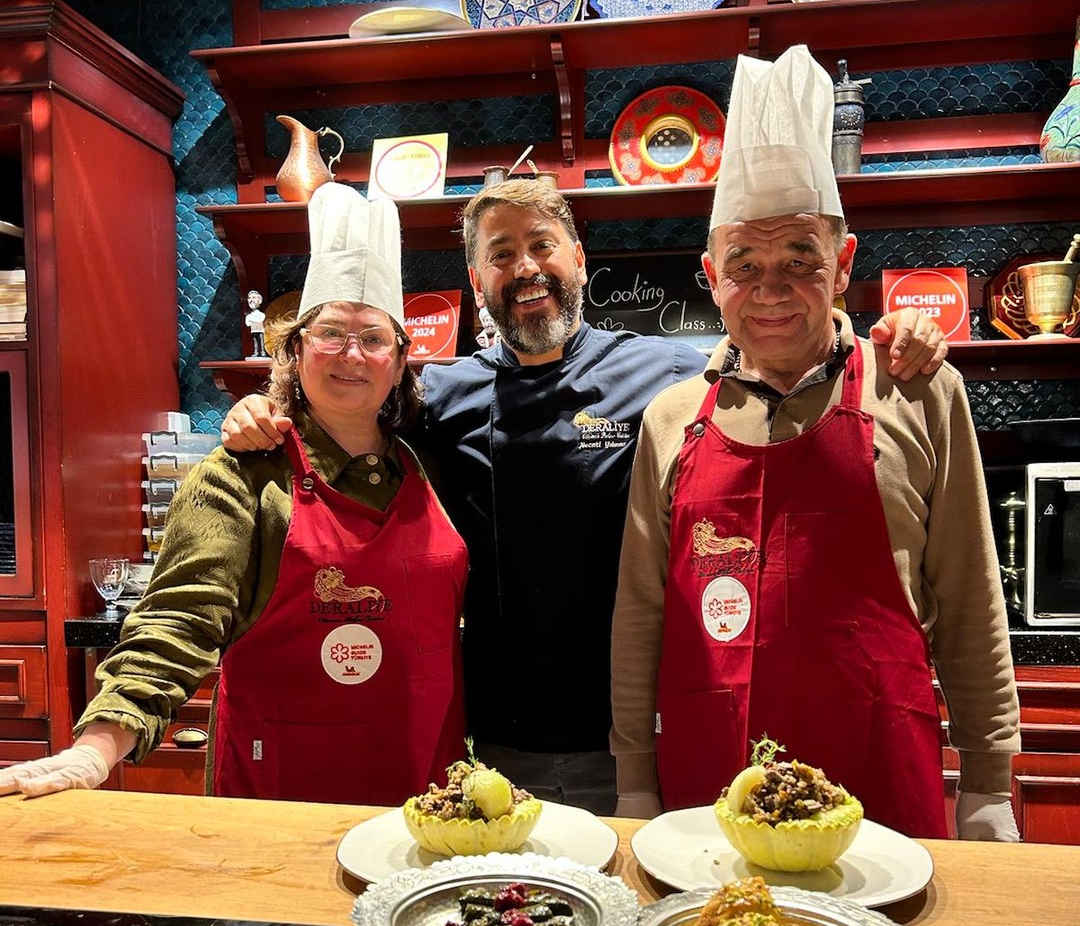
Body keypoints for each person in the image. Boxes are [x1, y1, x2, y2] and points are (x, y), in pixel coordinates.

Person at [219, 178, 947, 816]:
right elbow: (340, 413)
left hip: (635, 731)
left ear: (578, 258)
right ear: (477, 278)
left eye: (541, 245)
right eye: (501, 254)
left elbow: (780, 361)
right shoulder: (439, 395)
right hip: (491, 735)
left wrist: (888, 335)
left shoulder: (667, 373)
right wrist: (263, 412)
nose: (524, 267)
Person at [610, 46, 1020, 841]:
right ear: (711, 275)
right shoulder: (670, 419)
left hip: (877, 771)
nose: (770, 288)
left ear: (842, 264)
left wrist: (988, 781)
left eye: (800, 259)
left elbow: (971, 596)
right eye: (744, 264)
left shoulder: (919, 388)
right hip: (709, 780)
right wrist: (633, 781)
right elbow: (640, 615)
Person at [0, 183, 466, 803]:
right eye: (331, 332)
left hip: (425, 780)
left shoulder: (431, 463)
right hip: (284, 788)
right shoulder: (240, 472)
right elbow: (180, 615)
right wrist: (97, 748)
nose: (352, 354)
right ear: (295, 349)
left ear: (401, 358)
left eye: (374, 338)